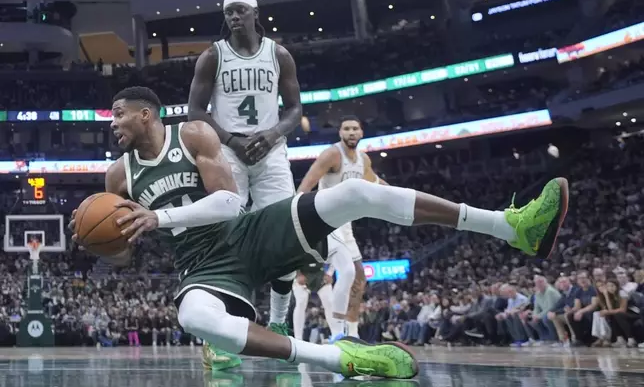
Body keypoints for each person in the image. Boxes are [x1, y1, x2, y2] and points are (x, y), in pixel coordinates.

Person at [72, 86, 569, 379]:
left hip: (245, 232)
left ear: (146, 114)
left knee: (353, 193)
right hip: (202, 267)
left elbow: (227, 203)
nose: (111, 123)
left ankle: (512, 226)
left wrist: (159, 217)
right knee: (192, 315)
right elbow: (124, 257)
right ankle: (342, 356)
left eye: (117, 114)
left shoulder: (192, 134)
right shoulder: (118, 177)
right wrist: (102, 241)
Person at [186, 0, 303, 364]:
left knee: (285, 235)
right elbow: (195, 111)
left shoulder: (279, 55)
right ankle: (221, 334)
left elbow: (296, 109)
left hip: (271, 152)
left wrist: (272, 135)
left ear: (255, 13)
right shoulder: (213, 56)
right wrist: (232, 140)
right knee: (226, 241)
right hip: (227, 152)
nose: (234, 17)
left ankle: (279, 323)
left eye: (240, 11)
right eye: (228, 13)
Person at [297, 116, 384, 340]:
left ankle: (352, 333)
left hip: (346, 224)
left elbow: (376, 182)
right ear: (340, 133)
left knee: (359, 278)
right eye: (346, 129)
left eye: (355, 128)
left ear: (362, 133)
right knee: (346, 273)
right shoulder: (332, 154)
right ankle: (338, 333)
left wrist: (403, 196)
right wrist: (296, 213)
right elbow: (307, 184)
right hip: (327, 219)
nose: (351, 132)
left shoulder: (363, 160)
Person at [292, 263, 334, 342]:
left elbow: (335, 254)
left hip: (320, 274)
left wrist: (329, 273)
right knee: (301, 303)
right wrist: (297, 274)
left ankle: (336, 334)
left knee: (329, 302)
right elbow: (291, 256)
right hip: (302, 273)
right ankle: (298, 339)